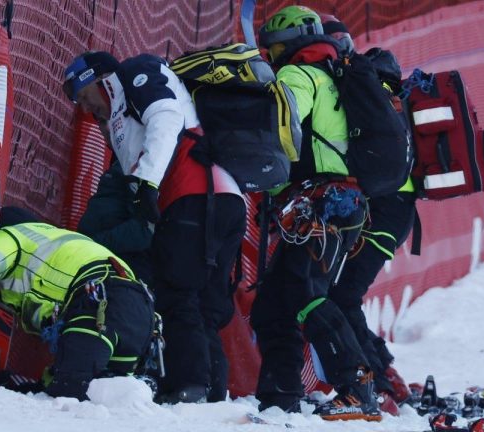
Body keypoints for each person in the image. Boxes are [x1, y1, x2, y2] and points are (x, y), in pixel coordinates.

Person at [61, 51, 246, 403]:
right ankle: (212, 392)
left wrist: (146, 183)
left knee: (176, 293)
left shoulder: (135, 72)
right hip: (226, 197)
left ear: (98, 79)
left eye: (84, 96)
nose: (86, 108)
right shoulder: (119, 118)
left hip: (192, 195)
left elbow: (166, 116)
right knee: (205, 302)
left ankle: (190, 386)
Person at [253, 5, 383, 421]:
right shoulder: (332, 73)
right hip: (341, 202)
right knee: (274, 304)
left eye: (273, 48)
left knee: (306, 293)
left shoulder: (299, 74)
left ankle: (357, 387)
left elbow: (282, 123)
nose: (271, 56)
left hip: (321, 203)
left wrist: (264, 172)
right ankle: (280, 396)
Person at [319, 13, 417, 407]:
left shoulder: (361, 87)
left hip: (386, 208)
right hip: (393, 208)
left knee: (343, 294)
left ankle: (378, 381)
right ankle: (384, 373)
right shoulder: (381, 89)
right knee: (342, 293)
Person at [0, 207, 155, 400]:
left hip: (99, 302)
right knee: (114, 399)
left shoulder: (10, 236)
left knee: (69, 395)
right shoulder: (57, 238)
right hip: (141, 307)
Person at [77, 158, 153, 286]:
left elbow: (143, 230)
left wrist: (90, 245)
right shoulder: (130, 160)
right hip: (97, 260)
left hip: (113, 267)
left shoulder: (150, 165)